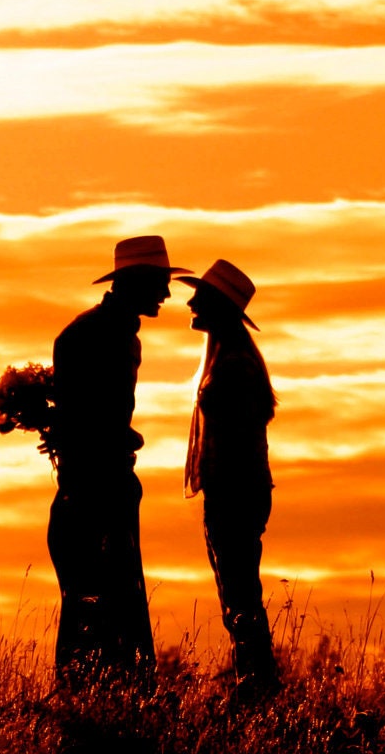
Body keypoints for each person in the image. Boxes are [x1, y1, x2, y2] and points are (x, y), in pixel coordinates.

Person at [47, 235, 190, 687]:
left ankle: (107, 692)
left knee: (105, 599)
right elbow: (89, 416)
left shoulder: (102, 331)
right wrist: (121, 436)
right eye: (160, 284)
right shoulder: (99, 334)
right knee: (108, 597)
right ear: (136, 282)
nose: (167, 295)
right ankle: (110, 692)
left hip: (99, 479)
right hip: (98, 484)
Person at [177, 259, 280, 696]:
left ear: (217, 305)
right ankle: (253, 681)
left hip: (234, 492)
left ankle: (256, 684)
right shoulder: (232, 358)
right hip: (239, 490)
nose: (190, 302)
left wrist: (224, 488)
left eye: (200, 297)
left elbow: (237, 436)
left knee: (238, 593)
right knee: (238, 590)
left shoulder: (233, 365)